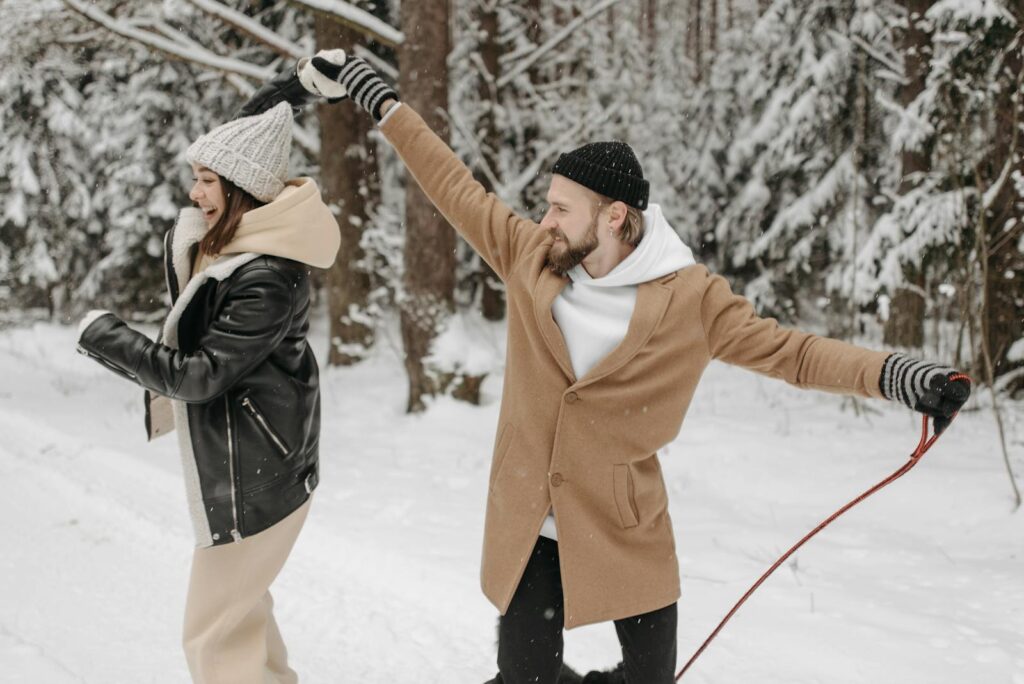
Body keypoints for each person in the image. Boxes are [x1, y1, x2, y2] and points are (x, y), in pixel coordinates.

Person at [297, 51, 969, 684]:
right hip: (531, 516)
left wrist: (896, 375)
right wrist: (376, 95)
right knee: (526, 674)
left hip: (625, 521)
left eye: (561, 207)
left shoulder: (692, 299)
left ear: (614, 216)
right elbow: (450, 182)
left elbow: (793, 353)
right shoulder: (530, 254)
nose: (545, 218)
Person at [75, 98, 341, 683]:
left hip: (259, 475)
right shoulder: (238, 247)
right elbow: (239, 142)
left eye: (206, 181)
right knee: (241, 621)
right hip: (257, 460)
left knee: (212, 639)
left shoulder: (265, 274)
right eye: (194, 178)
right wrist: (293, 82)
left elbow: (199, 375)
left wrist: (104, 336)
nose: (194, 194)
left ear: (242, 187)